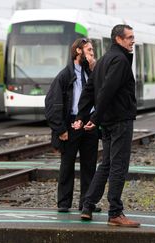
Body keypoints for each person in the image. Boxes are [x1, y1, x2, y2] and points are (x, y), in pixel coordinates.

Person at [72, 24, 140, 227]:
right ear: (118, 39)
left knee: (107, 164)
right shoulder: (119, 60)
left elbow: (89, 90)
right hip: (119, 120)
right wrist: (93, 118)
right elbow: (107, 90)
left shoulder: (102, 61)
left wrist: (83, 116)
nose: (132, 40)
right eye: (129, 37)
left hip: (109, 121)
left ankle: (88, 205)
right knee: (118, 165)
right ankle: (115, 213)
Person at [45, 38, 100, 213]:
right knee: (67, 164)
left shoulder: (91, 73)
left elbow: (102, 90)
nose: (92, 53)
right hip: (71, 124)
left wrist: (94, 69)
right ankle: (63, 203)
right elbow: (52, 103)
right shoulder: (65, 75)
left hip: (89, 123)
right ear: (78, 51)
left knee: (89, 165)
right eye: (89, 50)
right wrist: (60, 129)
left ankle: (87, 203)